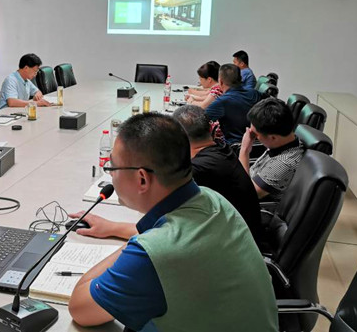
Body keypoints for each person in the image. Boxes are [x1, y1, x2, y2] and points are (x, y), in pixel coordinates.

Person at [67, 113, 278, 332]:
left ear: (142, 179)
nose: (111, 177)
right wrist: (128, 235)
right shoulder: (212, 199)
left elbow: (80, 309)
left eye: (113, 168)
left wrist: (136, 245)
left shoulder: (154, 254)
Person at [172, 105, 262, 243]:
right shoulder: (221, 148)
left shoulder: (199, 169)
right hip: (241, 233)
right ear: (211, 129)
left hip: (235, 244)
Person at [239, 97, 305, 201]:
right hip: (247, 178)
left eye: (255, 135)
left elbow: (246, 193)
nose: (251, 136)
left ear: (273, 137)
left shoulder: (283, 163)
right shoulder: (286, 141)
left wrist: (244, 150)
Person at [205, 64, 262, 144]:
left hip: (233, 148)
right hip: (259, 146)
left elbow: (200, 122)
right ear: (241, 79)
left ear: (220, 81)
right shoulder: (255, 94)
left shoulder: (222, 102)